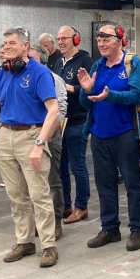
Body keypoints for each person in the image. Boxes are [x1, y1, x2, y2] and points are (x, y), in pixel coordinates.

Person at [0, 27, 60, 268]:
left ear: (26, 46)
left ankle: (48, 245)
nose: (7, 47)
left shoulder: (39, 73)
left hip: (31, 135)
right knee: (16, 196)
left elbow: (53, 110)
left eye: (12, 43)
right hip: (6, 136)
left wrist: (39, 144)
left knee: (39, 195)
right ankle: (25, 241)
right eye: (5, 43)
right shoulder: (2, 73)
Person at [78, 23, 140, 252]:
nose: (101, 43)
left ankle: (137, 229)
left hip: (125, 134)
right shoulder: (97, 65)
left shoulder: (133, 63)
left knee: (132, 184)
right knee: (104, 184)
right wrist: (87, 90)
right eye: (99, 40)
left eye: (106, 39)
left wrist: (109, 96)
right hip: (99, 134)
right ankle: (109, 229)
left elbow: (136, 94)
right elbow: (85, 103)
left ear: (120, 41)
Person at [54, 25, 92, 224]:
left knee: (77, 166)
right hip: (61, 121)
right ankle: (65, 205)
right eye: (59, 39)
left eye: (65, 38)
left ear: (76, 39)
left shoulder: (85, 61)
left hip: (78, 120)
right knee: (61, 166)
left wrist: (70, 88)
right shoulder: (58, 62)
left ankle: (81, 206)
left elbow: (92, 87)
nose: (61, 42)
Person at [29, 44, 68, 241]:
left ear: (43, 60)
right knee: (32, 181)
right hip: (28, 134)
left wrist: (49, 133)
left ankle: (56, 221)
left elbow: (60, 109)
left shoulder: (54, 79)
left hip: (50, 134)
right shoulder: (24, 79)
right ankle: (40, 220)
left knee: (52, 179)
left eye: (31, 58)